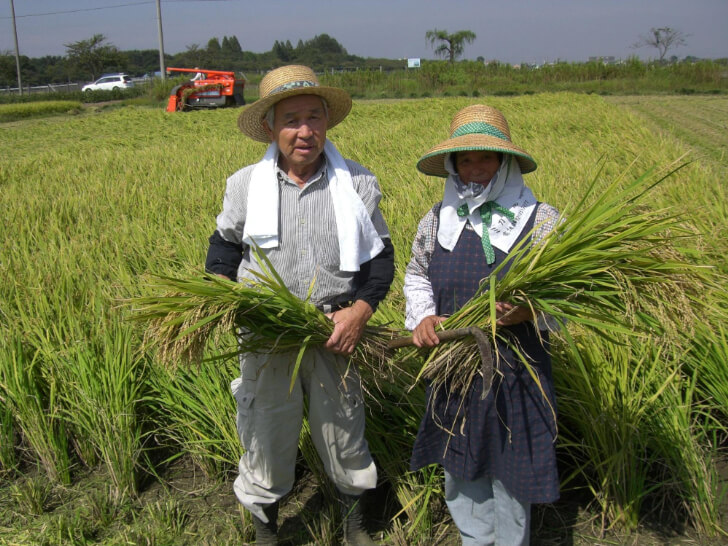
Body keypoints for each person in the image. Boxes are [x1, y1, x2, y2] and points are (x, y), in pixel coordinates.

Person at [205, 65, 394, 545]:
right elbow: (223, 250)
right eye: (291, 119)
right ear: (271, 127)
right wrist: (226, 299)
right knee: (265, 430)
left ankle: (354, 525)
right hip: (268, 332)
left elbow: (381, 259)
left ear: (328, 121)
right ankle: (266, 529)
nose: (304, 131)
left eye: (314, 117)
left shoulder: (358, 182)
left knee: (345, 429)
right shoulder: (245, 185)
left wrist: (360, 312)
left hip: (337, 330)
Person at [403, 104, 560, 545]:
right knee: (460, 464)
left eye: (485, 158)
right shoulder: (438, 220)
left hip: (518, 372)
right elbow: (416, 273)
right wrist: (424, 317)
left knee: (511, 472)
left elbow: (570, 295)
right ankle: (474, 538)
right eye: (465, 159)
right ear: (452, 166)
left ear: (505, 163)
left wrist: (530, 312)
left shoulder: (542, 220)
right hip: (454, 371)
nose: (474, 169)